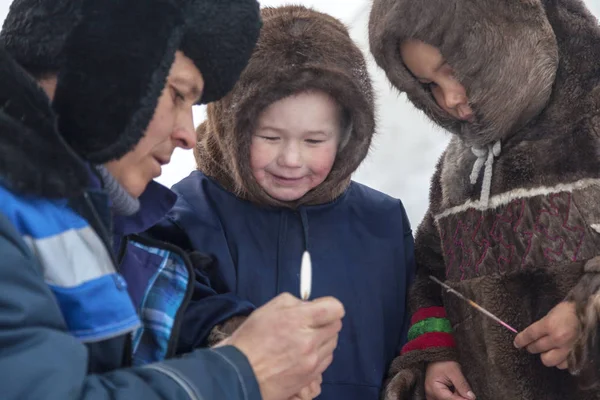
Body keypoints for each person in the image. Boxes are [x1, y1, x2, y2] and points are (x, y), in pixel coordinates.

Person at [0, 0, 344, 399]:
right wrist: (243, 371)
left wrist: (224, 331)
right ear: (100, 61)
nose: (189, 135)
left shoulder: (70, 213)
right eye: (179, 94)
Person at [154, 5, 416, 400]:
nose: (292, 160)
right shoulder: (179, 216)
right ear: (231, 125)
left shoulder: (383, 222)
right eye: (270, 137)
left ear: (348, 135)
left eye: (314, 140)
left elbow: (411, 332)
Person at [368, 0, 600, 399]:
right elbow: (429, 273)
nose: (450, 99)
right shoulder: (457, 171)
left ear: (509, 39)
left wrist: (591, 311)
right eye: (429, 86)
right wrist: (437, 353)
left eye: (455, 72)